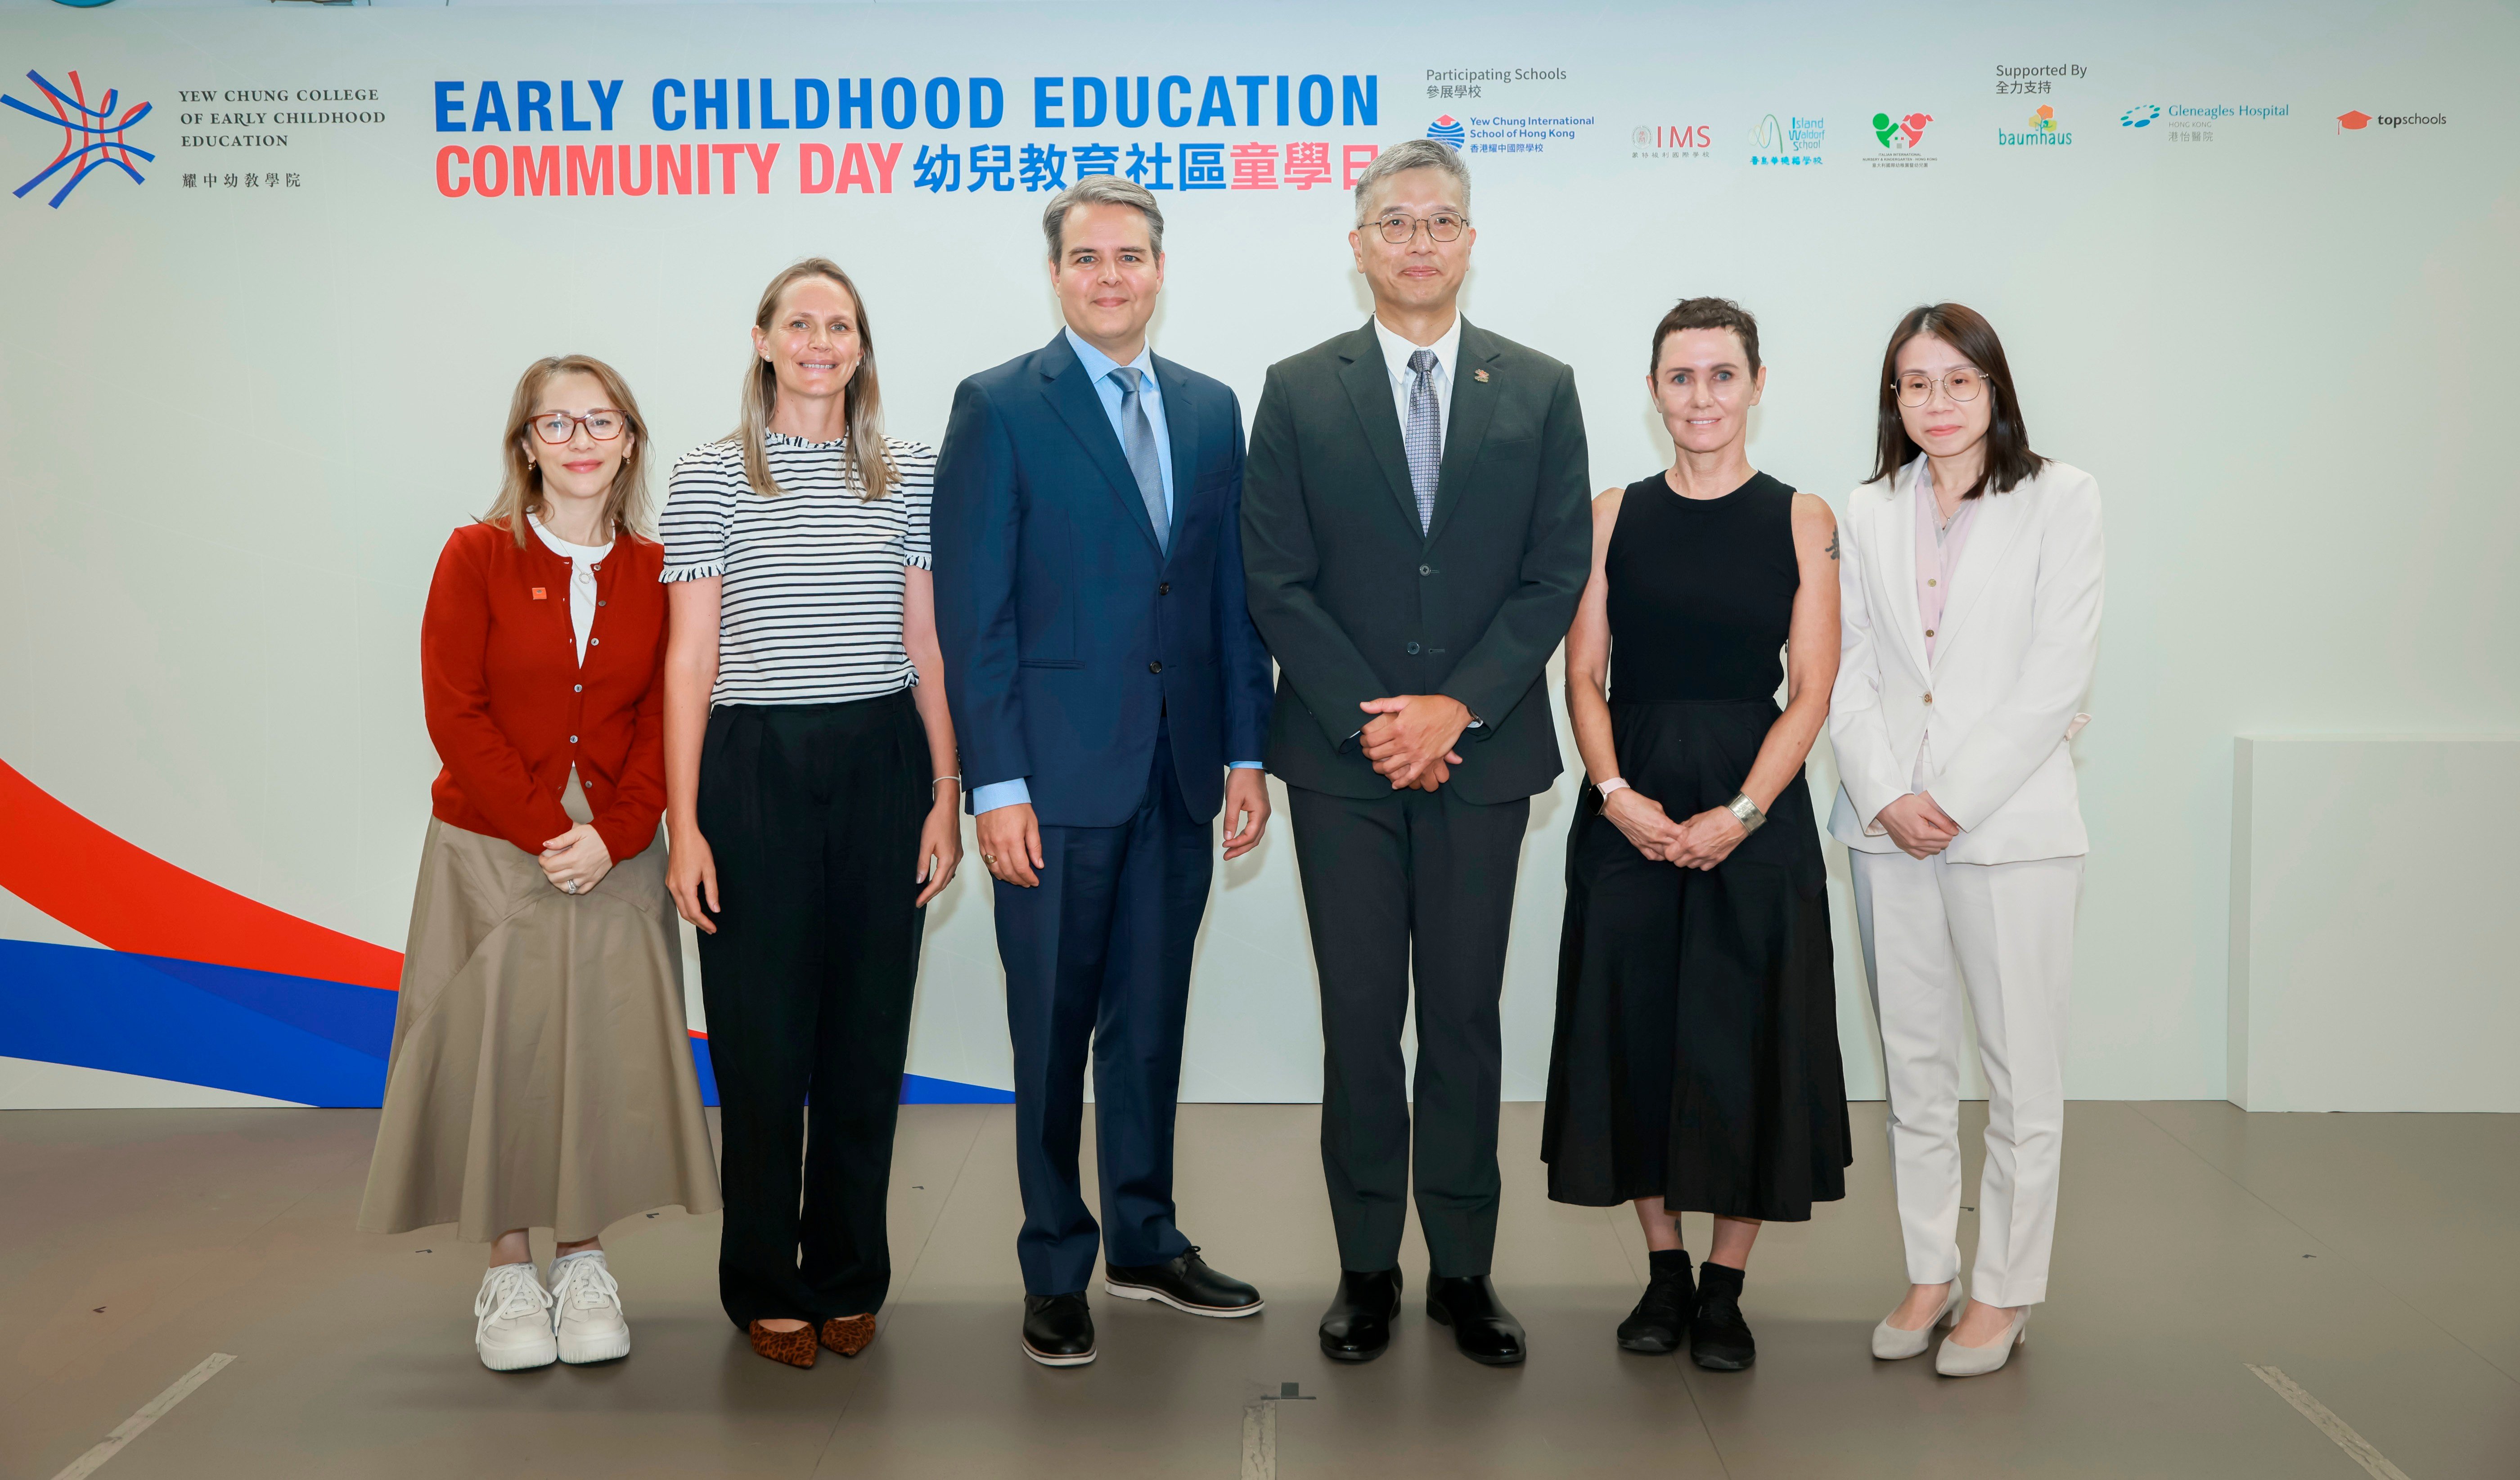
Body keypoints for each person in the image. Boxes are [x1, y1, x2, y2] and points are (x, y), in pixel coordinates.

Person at [1242, 139, 1591, 1368]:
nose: (1420, 241)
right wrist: (1381, 719)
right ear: (1360, 244)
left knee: (1462, 1019)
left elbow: (1556, 573)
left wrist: (1458, 710)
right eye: (1396, 221)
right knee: (1357, 1019)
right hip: (1343, 765)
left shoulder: (1540, 388)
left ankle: (1466, 1270)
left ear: (1471, 240)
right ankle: (1364, 1268)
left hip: (1482, 760)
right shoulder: (1296, 388)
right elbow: (1275, 581)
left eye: (1443, 220)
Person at [933, 176, 1275, 1369]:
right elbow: (976, 617)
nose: (1111, 275)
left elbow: (1229, 597)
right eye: (1088, 258)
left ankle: (1144, 1236)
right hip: (1054, 785)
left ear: (1160, 268)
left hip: (1180, 774)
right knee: (1051, 1030)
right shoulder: (997, 408)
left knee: (1150, 1025)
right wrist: (997, 784)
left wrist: (1246, 749)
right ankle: (1054, 1259)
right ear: (1057, 273)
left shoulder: (1209, 408)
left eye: (1131, 255)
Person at [360, 355, 719, 1373]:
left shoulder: (657, 569)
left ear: (630, 441)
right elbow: (452, 706)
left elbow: (669, 710)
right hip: (490, 847)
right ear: (526, 446)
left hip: (616, 847)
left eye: (600, 422)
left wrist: (617, 829)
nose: (579, 441)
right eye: (555, 424)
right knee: (498, 1052)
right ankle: (509, 1268)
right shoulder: (473, 554)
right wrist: (540, 828)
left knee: (598, 1057)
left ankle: (587, 1259)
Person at [659, 259, 964, 1369]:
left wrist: (945, 794)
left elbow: (928, 646)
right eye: (801, 323)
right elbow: (689, 659)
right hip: (754, 766)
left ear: (861, 345)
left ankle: (846, 1274)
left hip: (884, 758)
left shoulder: (912, 470)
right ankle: (765, 1284)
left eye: (840, 325)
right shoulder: (706, 476)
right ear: (763, 339)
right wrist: (683, 825)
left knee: (864, 1039)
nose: (821, 342)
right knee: (759, 1043)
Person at [1540, 299, 1849, 1372]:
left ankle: (1726, 1286)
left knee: (1741, 1040)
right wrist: (1615, 791)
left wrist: (1744, 814)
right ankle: (1663, 1272)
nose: (1702, 397)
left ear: (1758, 384)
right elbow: (1583, 673)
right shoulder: (1610, 513)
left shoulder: (1802, 516)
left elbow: (1811, 688)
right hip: (1630, 803)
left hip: (1753, 806)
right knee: (1638, 1037)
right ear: (1654, 389)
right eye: (1682, 377)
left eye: (1723, 375)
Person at [1830, 303, 2103, 1377]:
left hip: (2012, 828)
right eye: (1914, 384)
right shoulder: (1863, 508)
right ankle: (1930, 1269)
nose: (1936, 404)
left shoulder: (2060, 497)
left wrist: (1950, 795)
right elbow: (1841, 669)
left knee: (2020, 1071)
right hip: (1884, 826)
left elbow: (2057, 673)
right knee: (1914, 1066)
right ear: (1891, 399)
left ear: (1994, 389)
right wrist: (1890, 795)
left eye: (1958, 381)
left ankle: (2004, 1290)